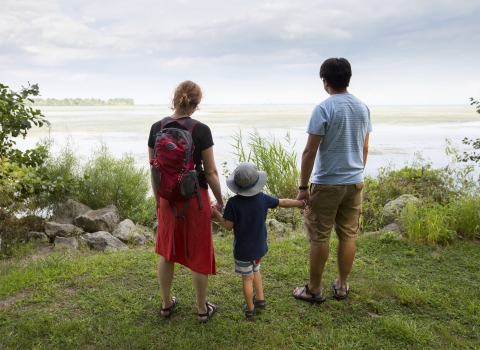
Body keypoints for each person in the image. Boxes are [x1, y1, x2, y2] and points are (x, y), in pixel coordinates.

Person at [293, 58, 372, 303]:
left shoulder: (324, 108)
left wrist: (303, 187)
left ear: (325, 82)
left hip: (327, 183)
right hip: (355, 181)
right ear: (348, 79)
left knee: (320, 236)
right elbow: (365, 148)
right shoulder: (362, 108)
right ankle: (341, 284)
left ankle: (314, 289)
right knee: (348, 235)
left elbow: (309, 151)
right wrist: (356, 174)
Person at [148, 80, 224, 322]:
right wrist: (220, 199)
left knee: (166, 251)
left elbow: (154, 170)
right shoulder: (201, 130)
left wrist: (158, 199)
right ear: (196, 103)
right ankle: (202, 310)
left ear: (175, 98)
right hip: (195, 198)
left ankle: (166, 305)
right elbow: (211, 172)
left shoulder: (156, 127)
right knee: (199, 252)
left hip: (167, 199)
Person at [212, 162, 306, 317]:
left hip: (243, 250)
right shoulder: (262, 198)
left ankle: (250, 308)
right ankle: (260, 299)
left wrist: (215, 212)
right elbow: (283, 202)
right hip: (259, 247)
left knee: (247, 278)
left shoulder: (233, 203)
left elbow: (228, 226)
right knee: (256, 271)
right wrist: (300, 203)